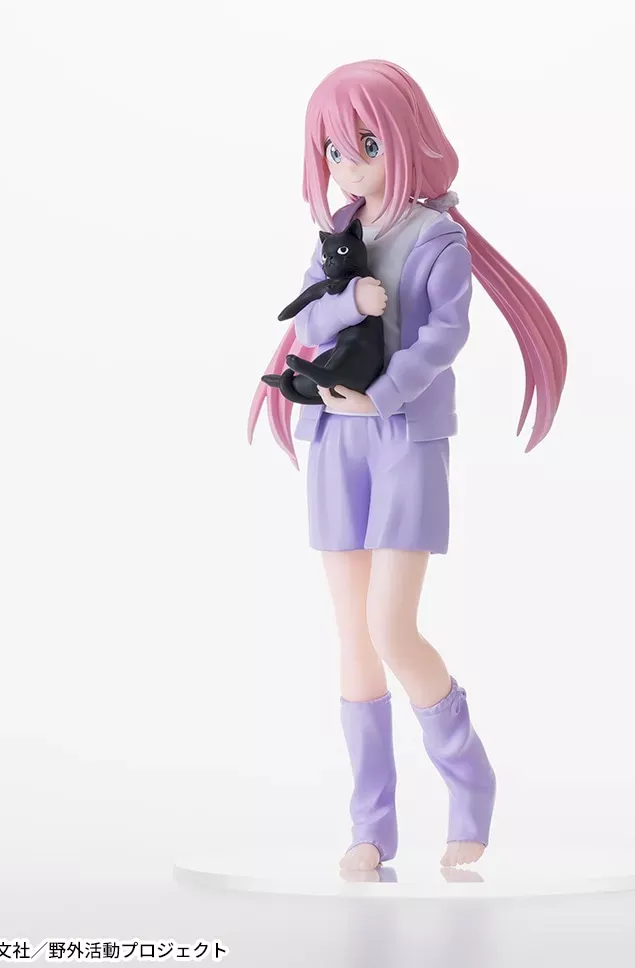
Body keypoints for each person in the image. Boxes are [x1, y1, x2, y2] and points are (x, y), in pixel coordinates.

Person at [248, 60, 567, 869]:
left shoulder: (438, 237)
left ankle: (469, 780)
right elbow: (306, 318)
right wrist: (347, 303)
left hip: (404, 438)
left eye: (365, 144)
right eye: (332, 150)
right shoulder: (340, 230)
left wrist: (384, 396)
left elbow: (444, 336)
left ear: (404, 138)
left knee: (392, 626)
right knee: (353, 637)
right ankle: (371, 825)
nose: (348, 165)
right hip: (335, 438)